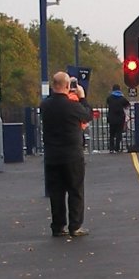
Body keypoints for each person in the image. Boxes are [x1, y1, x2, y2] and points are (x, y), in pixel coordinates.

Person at [40, 71, 92, 237]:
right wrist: (82, 97)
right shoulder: (72, 106)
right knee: (75, 191)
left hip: (52, 156)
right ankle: (75, 226)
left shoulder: (45, 106)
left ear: (53, 85)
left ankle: (58, 226)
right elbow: (87, 115)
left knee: (56, 193)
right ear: (68, 86)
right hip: (72, 156)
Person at [106, 84, 130, 153]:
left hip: (111, 118)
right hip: (120, 118)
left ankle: (111, 148)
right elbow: (127, 105)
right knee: (119, 133)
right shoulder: (122, 98)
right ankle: (117, 148)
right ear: (119, 90)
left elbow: (107, 103)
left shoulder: (109, 98)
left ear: (113, 90)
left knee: (112, 134)